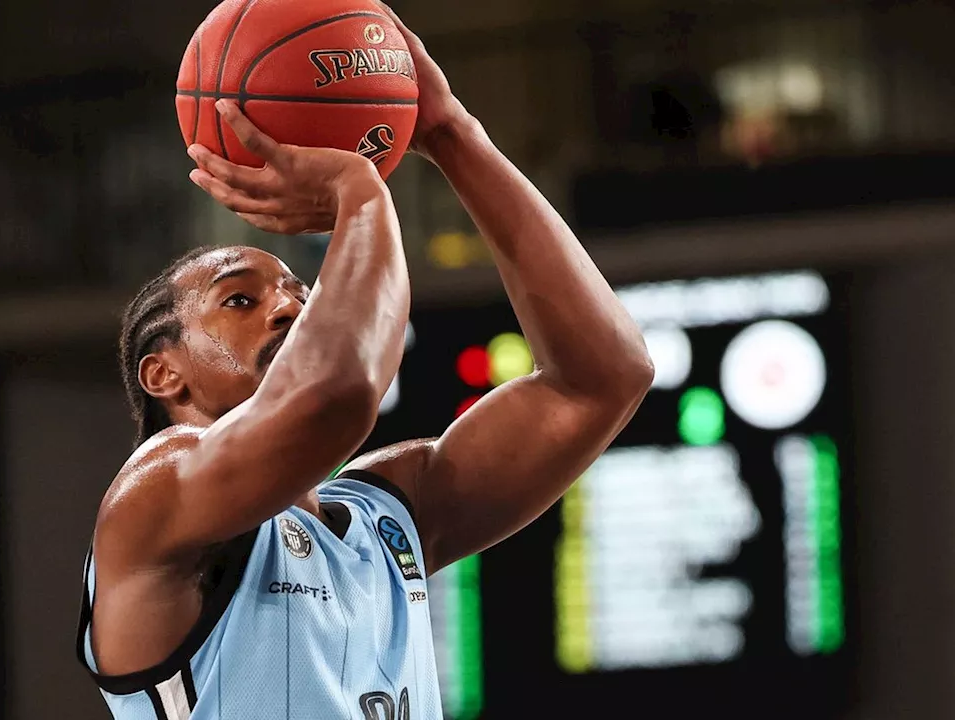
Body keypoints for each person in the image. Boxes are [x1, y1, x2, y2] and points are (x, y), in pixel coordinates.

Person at [76, 5, 654, 718]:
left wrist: (452, 135)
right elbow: (337, 395)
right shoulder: (153, 502)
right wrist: (360, 192)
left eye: (301, 292)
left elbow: (602, 379)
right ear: (164, 374)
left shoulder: (385, 521)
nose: (290, 308)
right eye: (238, 301)